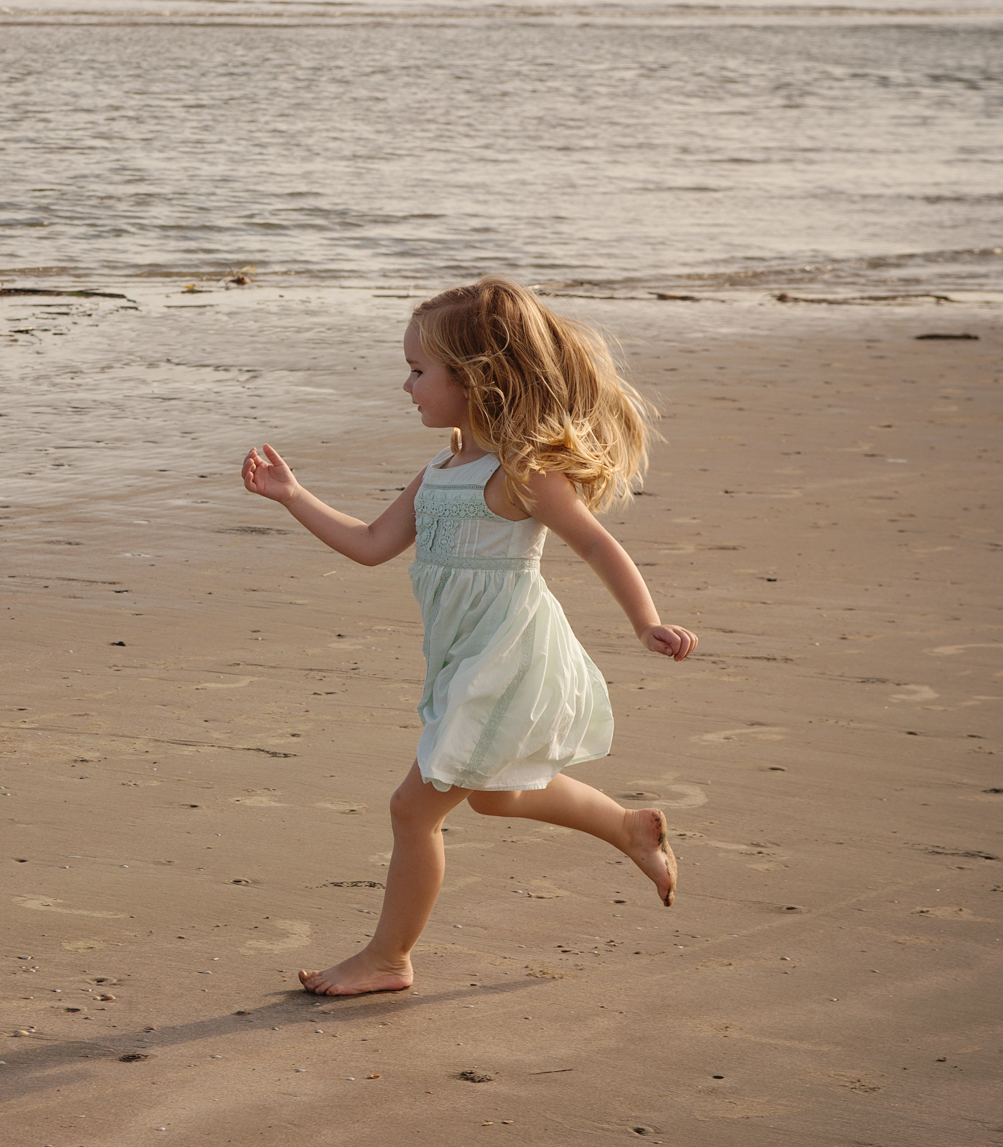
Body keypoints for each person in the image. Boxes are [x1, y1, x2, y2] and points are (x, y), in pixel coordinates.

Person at [241, 276, 698, 997]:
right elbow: (368, 543)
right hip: (463, 660)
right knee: (494, 794)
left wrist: (648, 622)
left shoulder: (522, 473)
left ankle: (388, 957)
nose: (407, 385)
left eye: (420, 372)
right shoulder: (440, 473)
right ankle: (628, 827)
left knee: (411, 808)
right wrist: (294, 497)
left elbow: (597, 545)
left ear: (477, 379)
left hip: (507, 659)